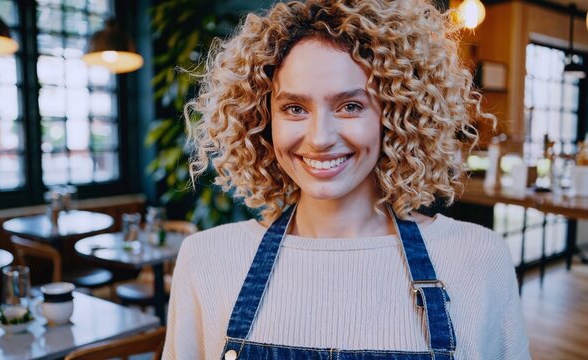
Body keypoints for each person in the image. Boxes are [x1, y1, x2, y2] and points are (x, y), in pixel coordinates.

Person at [162, 0, 530, 359]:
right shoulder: (207, 260)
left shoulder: (478, 259)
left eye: (350, 106)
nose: (320, 137)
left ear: (396, 114)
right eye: (294, 108)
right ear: (262, 119)